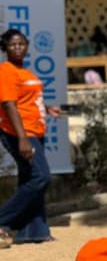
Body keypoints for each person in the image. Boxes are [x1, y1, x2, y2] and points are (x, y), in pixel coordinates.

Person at [0, 29, 63, 247]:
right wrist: (23, 139)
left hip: (36, 131)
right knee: (41, 177)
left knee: (29, 179)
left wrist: (47, 108)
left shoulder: (24, 72)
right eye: (12, 44)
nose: (18, 48)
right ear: (5, 48)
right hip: (21, 133)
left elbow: (27, 99)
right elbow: (8, 104)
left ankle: (34, 231)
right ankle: (3, 219)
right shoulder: (6, 71)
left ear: (27, 46)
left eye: (21, 44)